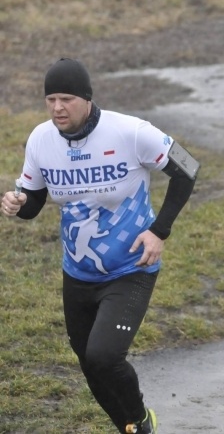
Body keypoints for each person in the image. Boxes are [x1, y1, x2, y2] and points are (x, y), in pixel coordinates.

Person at [1, 58, 199, 433]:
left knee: (104, 355)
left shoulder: (131, 132)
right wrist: (19, 203)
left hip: (131, 267)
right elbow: (34, 199)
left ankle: (140, 420)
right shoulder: (41, 139)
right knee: (89, 362)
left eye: (67, 99)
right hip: (77, 272)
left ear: (87, 99)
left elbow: (188, 169)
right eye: (51, 99)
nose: (58, 108)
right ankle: (129, 426)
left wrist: (160, 231)